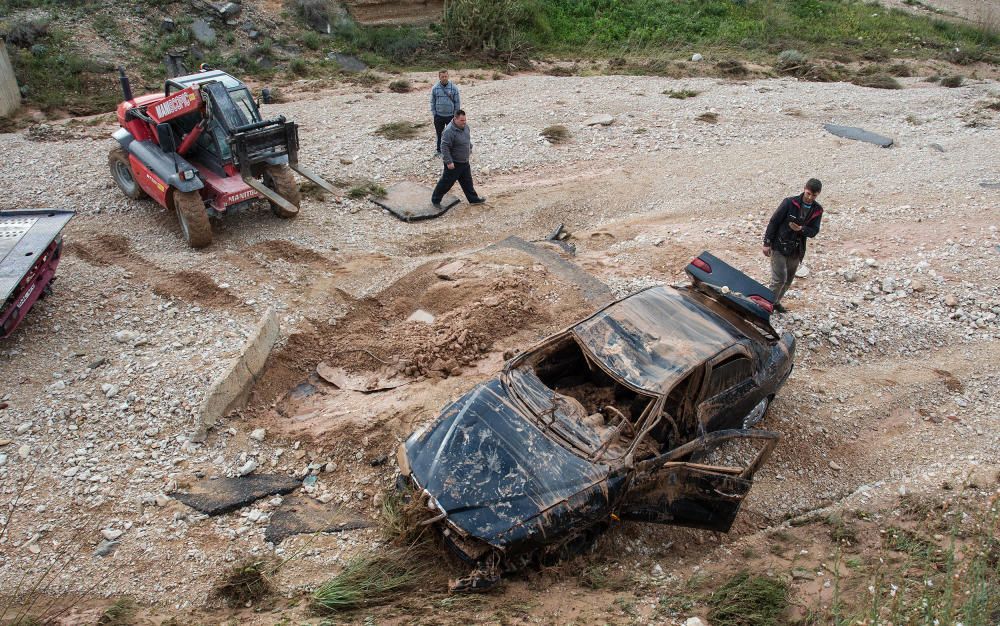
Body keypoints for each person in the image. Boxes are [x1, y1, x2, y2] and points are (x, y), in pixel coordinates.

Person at [762, 178, 824, 312]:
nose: (809, 197)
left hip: (796, 250)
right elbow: (774, 222)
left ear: (818, 194)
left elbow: (814, 231)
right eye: (808, 193)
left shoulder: (818, 210)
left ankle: (775, 302)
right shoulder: (789, 203)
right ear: (804, 189)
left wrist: (801, 229)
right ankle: (765, 305)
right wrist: (767, 243)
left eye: (813, 195)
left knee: (788, 280)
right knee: (779, 279)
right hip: (779, 245)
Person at [432, 110, 486, 207]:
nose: (464, 122)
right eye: (462, 120)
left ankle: (473, 200)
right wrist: (448, 161)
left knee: (467, 182)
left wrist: (470, 147)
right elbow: (444, 147)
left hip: (464, 161)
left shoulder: (466, 127)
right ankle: (435, 200)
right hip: (454, 163)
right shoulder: (449, 131)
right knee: (446, 183)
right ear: (455, 119)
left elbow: (467, 139)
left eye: (465, 120)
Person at [430, 70, 460, 154]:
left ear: (448, 76)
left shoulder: (454, 88)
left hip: (451, 116)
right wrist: (434, 113)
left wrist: (456, 115)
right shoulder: (435, 88)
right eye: (442, 76)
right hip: (438, 116)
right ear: (439, 77)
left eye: (445, 76)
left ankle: (453, 150)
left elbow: (457, 102)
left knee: (452, 134)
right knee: (439, 134)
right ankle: (439, 150)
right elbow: (432, 101)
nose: (444, 78)